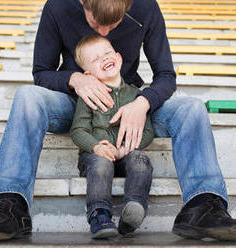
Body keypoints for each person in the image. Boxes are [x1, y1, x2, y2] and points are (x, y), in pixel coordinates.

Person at [0, 0, 236, 242]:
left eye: (116, 23)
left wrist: (142, 103)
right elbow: (41, 72)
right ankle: (10, 206)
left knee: (192, 108)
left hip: (130, 101)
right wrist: (75, 80)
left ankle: (203, 206)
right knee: (26, 97)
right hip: (77, 103)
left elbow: (166, 77)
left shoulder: (146, 7)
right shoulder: (58, 5)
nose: (106, 32)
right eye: (97, 25)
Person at [70, 34, 154, 238]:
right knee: (101, 164)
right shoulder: (87, 96)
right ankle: (100, 214)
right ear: (88, 73)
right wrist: (96, 147)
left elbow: (149, 131)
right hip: (95, 155)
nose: (104, 58)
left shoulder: (136, 95)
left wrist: (127, 148)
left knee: (141, 159)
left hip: (125, 153)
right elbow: (78, 130)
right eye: (96, 58)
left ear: (119, 57)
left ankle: (133, 209)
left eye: (107, 53)